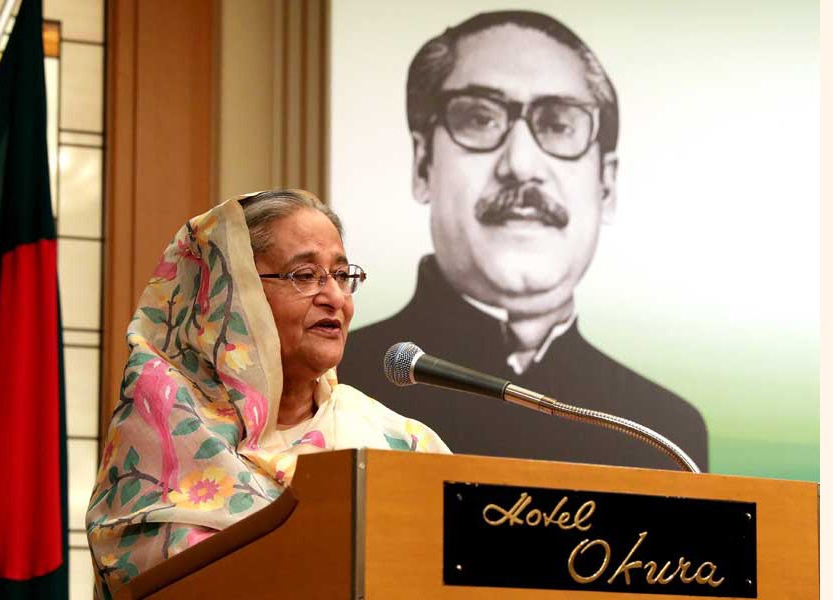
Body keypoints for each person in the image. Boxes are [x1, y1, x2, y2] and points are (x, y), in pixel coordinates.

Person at [339, 11, 708, 471]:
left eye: (559, 125)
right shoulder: (334, 387)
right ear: (422, 165)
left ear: (606, 185)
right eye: (479, 118)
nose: (521, 163)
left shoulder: (663, 431)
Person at [86, 190, 449, 598]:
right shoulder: (166, 427)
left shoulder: (397, 440)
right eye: (305, 275)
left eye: (342, 276)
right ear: (230, 294)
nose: (334, 298)